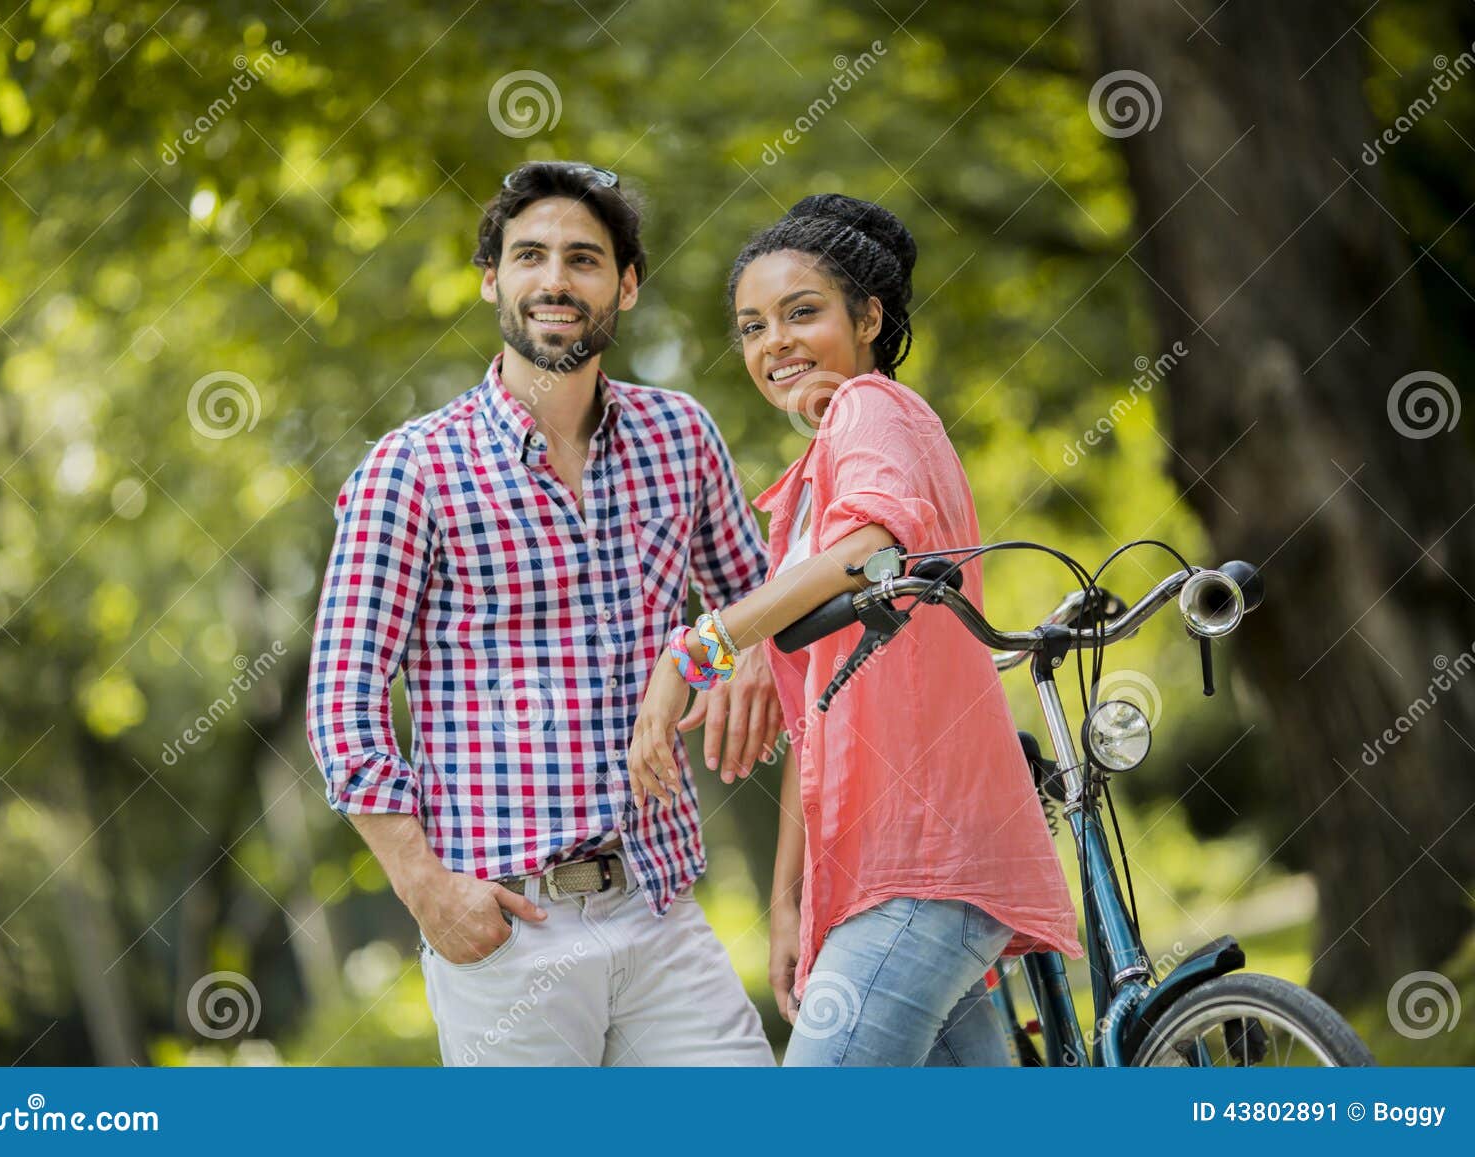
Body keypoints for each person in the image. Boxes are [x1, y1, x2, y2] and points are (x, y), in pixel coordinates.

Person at [306, 161, 780, 1066]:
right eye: (529, 256)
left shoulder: (681, 437)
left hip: (661, 911)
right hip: (508, 927)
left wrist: (733, 656)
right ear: (493, 279)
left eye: (584, 259)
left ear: (626, 285)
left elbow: (755, 609)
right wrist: (426, 889)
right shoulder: (412, 471)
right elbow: (342, 704)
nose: (555, 280)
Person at [629, 192, 1082, 1066]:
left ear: (869, 316)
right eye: (753, 326)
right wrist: (791, 904)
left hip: (924, 862)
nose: (776, 343)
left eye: (804, 312)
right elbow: (822, 716)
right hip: (876, 875)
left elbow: (875, 547)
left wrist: (701, 644)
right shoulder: (803, 492)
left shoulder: (872, 412)